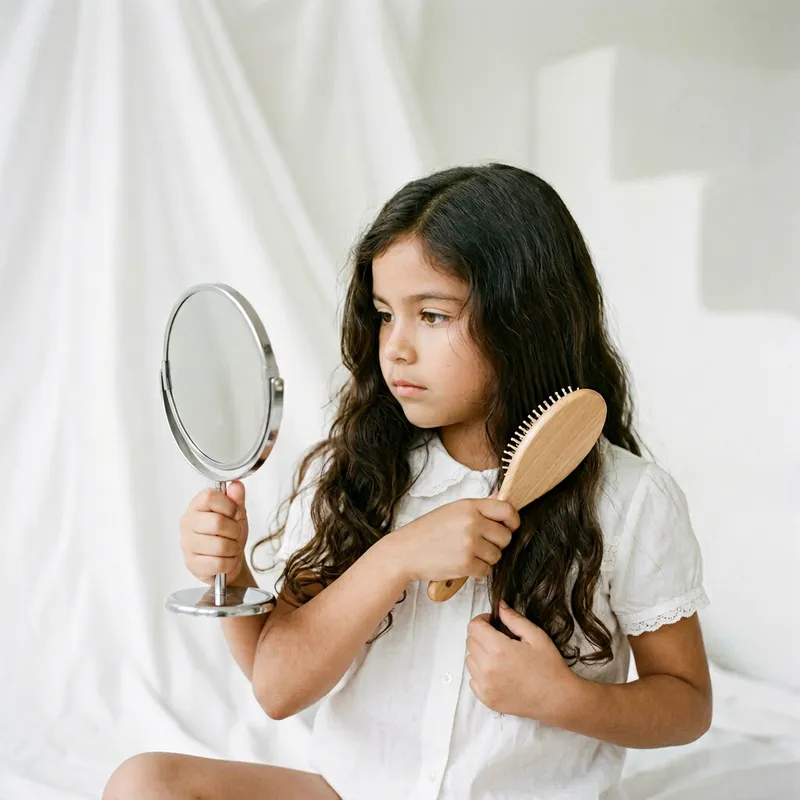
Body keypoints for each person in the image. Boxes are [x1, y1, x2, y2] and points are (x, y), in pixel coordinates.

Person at [104, 164, 712, 799]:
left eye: (432, 315)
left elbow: (687, 702)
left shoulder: (630, 499)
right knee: (144, 783)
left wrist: (563, 699)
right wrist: (386, 558)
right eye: (384, 314)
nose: (394, 347)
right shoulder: (359, 474)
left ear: (524, 318)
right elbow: (278, 686)